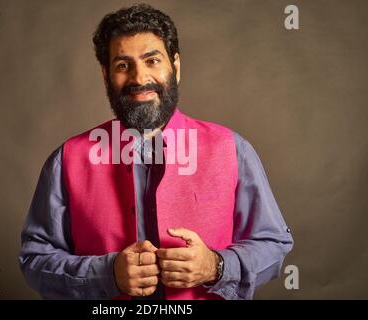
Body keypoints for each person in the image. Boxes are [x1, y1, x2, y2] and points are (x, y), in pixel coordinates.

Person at [19, 3, 293, 300]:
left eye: (152, 61)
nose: (139, 79)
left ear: (175, 67)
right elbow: (34, 259)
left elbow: (273, 243)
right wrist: (107, 273)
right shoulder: (67, 160)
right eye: (123, 65)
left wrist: (216, 266)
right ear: (105, 75)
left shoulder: (232, 150)